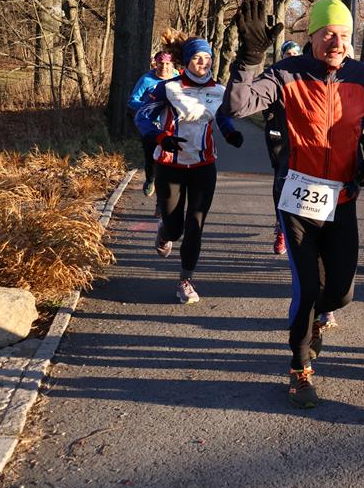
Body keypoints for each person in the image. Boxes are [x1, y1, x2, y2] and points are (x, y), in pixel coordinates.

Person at [224, 0, 364, 409]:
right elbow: (237, 104)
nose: (335, 42)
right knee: (306, 286)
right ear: (312, 37)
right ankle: (299, 368)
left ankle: (318, 318)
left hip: (342, 199)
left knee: (340, 292)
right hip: (297, 200)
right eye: (327, 34)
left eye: (342, 35)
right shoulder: (287, 74)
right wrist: (249, 58)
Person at [135, 32, 243, 305]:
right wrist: (160, 137)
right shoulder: (169, 88)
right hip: (171, 165)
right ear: (186, 61)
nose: (203, 63)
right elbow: (142, 114)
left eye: (207, 58)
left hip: (204, 166)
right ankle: (164, 230)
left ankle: (185, 280)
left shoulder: (218, 90)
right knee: (175, 229)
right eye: (197, 58)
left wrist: (231, 134)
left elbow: (222, 118)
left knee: (196, 224)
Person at [264, 40, 303, 256]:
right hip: (277, 134)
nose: (291, 56)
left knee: (298, 177)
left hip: (301, 138)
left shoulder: (305, 74)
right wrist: (271, 118)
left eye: (294, 53)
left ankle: (297, 224)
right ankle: (281, 227)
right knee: (280, 177)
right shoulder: (275, 74)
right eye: (287, 53)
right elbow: (264, 101)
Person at [128, 51, 178, 198]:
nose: (164, 66)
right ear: (155, 63)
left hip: (171, 126)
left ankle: (161, 204)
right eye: (161, 63)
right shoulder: (146, 80)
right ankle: (150, 179)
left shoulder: (177, 78)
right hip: (151, 126)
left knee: (169, 165)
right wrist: (149, 105)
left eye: (167, 63)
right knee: (152, 160)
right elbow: (132, 101)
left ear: (172, 64)